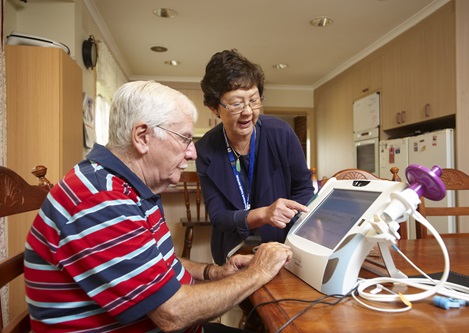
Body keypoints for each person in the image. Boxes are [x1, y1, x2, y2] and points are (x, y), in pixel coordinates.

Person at [24, 81, 293, 333]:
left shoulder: (126, 187)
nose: (192, 153)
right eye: (185, 139)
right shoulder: (101, 199)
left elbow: (155, 265)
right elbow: (172, 312)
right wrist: (259, 271)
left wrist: (213, 272)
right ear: (142, 136)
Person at [196, 49, 315, 266]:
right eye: (236, 104)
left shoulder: (281, 132)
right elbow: (219, 217)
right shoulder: (205, 149)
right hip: (234, 248)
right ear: (215, 108)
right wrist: (264, 214)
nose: (248, 111)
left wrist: (299, 227)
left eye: (254, 100)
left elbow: (303, 188)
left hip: (283, 243)